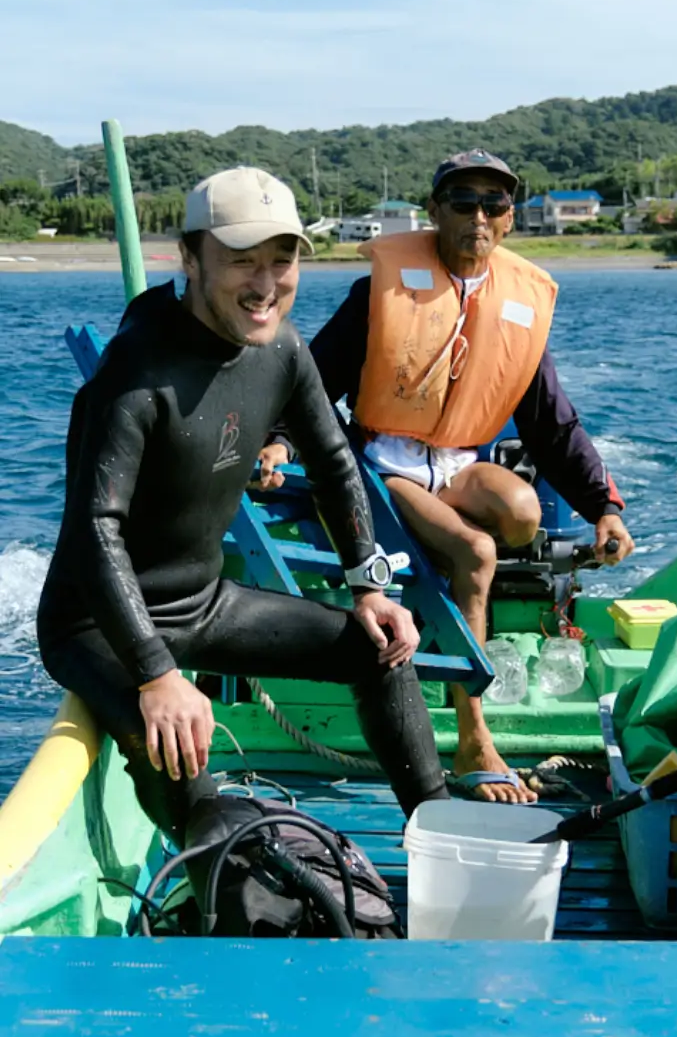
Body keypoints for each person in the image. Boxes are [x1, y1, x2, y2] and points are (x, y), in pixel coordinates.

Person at [38, 166, 448, 846]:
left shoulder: (281, 350)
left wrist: (369, 586)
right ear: (190, 258)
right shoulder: (133, 376)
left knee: (378, 648)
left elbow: (335, 462)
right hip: (98, 628)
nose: (266, 285)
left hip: (202, 604)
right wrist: (156, 673)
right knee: (174, 745)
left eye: (281, 262)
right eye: (241, 262)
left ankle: (439, 834)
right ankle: (217, 901)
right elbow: (93, 529)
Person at [261, 149, 634, 802]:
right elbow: (314, 382)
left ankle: (450, 575)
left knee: (522, 515)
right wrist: (281, 442)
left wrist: (604, 505)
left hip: (462, 461)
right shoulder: (382, 290)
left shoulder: (517, 301)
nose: (480, 217)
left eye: (495, 204)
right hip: (388, 462)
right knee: (478, 550)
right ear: (434, 212)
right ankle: (472, 736)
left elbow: (553, 423)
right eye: (463, 202)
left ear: (511, 219)